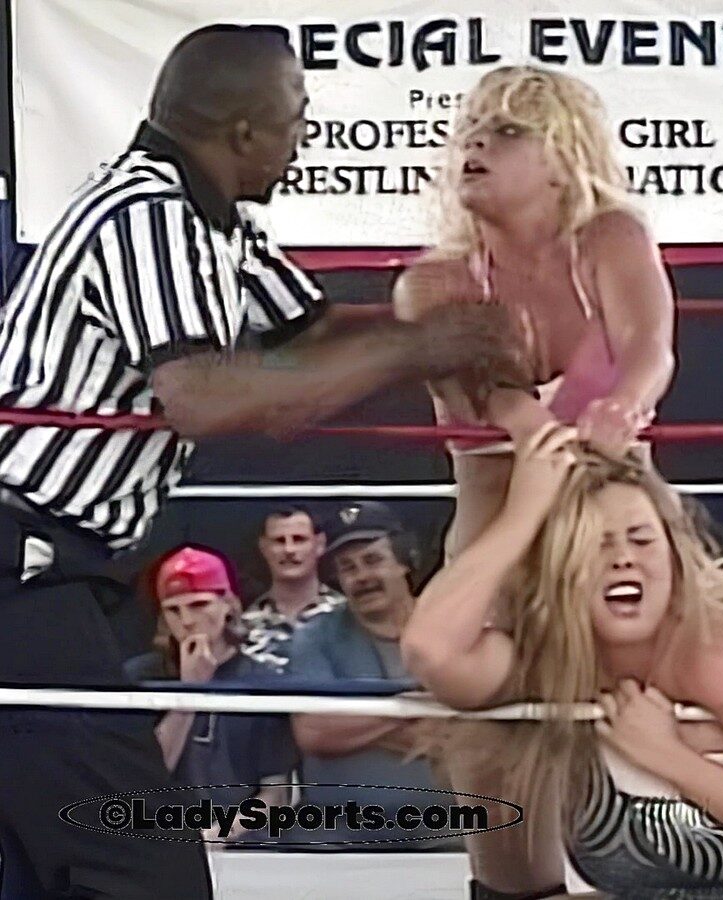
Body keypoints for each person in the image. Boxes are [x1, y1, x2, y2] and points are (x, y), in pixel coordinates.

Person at [0, 24, 525, 899]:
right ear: (244, 131)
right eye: (295, 118)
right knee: (141, 864)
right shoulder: (146, 215)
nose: (303, 139)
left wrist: (439, 326)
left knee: (45, 861)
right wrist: (420, 346)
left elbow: (313, 340)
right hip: (21, 567)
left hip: (58, 576)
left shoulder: (224, 227)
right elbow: (207, 395)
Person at [402, 425, 723, 899]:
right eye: (595, 544)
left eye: (641, 540)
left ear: (674, 558)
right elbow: (431, 650)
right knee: (483, 739)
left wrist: (668, 755)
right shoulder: (550, 664)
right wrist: (523, 513)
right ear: (559, 568)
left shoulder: (719, 655)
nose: (623, 559)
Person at [393, 66, 676, 560]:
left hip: (618, 537)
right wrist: (539, 428)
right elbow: (485, 393)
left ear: (561, 162)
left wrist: (624, 404)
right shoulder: (432, 284)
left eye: (507, 131)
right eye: (470, 130)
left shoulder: (611, 237)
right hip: (499, 546)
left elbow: (648, 347)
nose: (476, 143)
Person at [287, 502, 448, 846]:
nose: (362, 577)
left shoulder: (452, 628)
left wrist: (356, 721)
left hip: (447, 828)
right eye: (348, 568)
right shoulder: (314, 638)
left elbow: (467, 734)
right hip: (336, 833)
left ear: (405, 561)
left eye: (373, 561)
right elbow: (315, 731)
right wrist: (413, 708)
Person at [126, 546, 296, 844]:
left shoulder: (262, 682)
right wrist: (189, 692)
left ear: (228, 604)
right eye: (173, 610)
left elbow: (275, 793)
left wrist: (218, 835)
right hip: (160, 840)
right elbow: (143, 778)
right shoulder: (140, 677)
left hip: (245, 846)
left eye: (199, 605)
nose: (187, 621)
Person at [241, 505, 345, 670]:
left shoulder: (347, 615)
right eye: (279, 541)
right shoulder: (244, 626)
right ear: (263, 547)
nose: (289, 550)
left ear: (320, 544)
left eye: (299, 539)